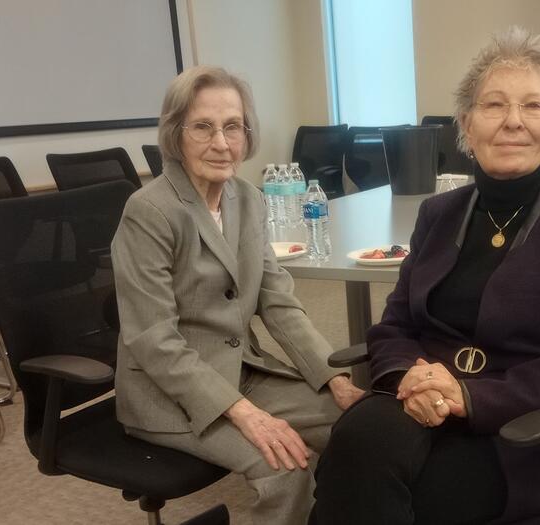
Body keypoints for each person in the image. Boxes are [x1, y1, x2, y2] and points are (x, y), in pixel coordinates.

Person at [311, 27, 540, 524]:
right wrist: (411, 379)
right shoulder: (439, 213)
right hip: (418, 402)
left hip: (524, 427)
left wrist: (468, 395)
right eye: (493, 106)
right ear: (466, 123)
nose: (512, 122)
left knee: (396, 492)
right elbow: (394, 327)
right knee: (353, 444)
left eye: (532, 106)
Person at [111, 65, 364, 525]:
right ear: (175, 134)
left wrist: (334, 381)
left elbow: (278, 302)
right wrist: (245, 413)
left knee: (363, 427)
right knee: (288, 467)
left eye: (232, 127)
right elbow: (153, 340)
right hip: (169, 395)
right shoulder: (149, 211)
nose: (221, 143)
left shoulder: (247, 198)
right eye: (203, 127)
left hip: (241, 372)